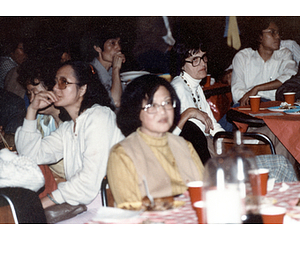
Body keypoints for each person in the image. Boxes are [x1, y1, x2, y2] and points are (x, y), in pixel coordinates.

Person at [15, 61, 124, 209]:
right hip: (89, 204)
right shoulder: (68, 128)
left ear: (82, 89)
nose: (54, 88)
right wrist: (32, 110)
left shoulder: (99, 117)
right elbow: (30, 155)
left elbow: (89, 181)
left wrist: (44, 203)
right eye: (55, 82)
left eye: (63, 82)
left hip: (113, 203)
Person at [107, 75, 204, 210]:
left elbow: (204, 194)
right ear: (136, 111)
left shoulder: (184, 145)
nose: (163, 111)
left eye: (167, 103)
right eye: (152, 105)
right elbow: (131, 214)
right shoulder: (122, 155)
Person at [170, 37, 225, 163]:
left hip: (207, 142)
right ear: (182, 65)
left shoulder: (195, 85)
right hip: (197, 151)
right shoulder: (178, 88)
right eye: (195, 60)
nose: (203, 64)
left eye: (203, 57)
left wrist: (228, 140)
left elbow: (212, 125)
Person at [231, 18, 297, 106]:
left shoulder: (284, 54)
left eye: (278, 33)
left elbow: (289, 76)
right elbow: (236, 90)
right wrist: (255, 101)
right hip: (249, 104)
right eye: (272, 32)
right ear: (259, 36)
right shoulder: (243, 57)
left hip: (276, 105)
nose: (278, 37)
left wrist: (257, 88)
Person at [86, 29, 126, 109]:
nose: (118, 48)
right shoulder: (89, 72)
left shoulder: (111, 71)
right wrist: (116, 69)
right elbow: (115, 102)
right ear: (98, 48)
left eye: (119, 43)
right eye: (112, 43)